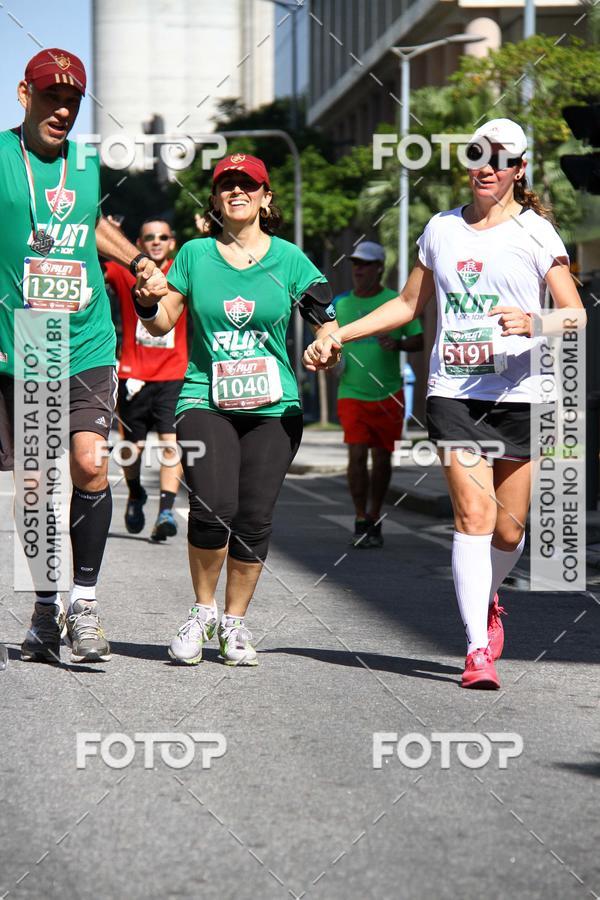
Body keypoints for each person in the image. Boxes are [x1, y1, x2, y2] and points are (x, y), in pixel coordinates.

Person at [304, 118, 584, 689]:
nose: (487, 167)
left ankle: (488, 598)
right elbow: (409, 305)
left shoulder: (537, 234)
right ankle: (477, 648)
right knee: (473, 518)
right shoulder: (441, 229)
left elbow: (575, 315)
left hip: (522, 394)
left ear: (519, 170)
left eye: (501, 159)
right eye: (478, 155)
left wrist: (534, 321)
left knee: (509, 531)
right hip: (454, 391)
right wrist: (339, 333)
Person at [136, 152, 339, 666]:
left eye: (248, 184)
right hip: (205, 398)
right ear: (214, 199)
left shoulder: (290, 259)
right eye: (227, 184)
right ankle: (202, 611)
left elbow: (325, 319)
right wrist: (145, 299)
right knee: (212, 508)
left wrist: (326, 343)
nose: (237, 191)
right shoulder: (195, 255)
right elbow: (161, 323)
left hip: (275, 406)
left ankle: (234, 623)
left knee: (253, 518)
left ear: (266, 197)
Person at [0, 48, 166, 664]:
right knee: (37, 483)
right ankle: (46, 609)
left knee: (91, 463)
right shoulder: (1, 158)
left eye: (72, 101)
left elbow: (92, 225)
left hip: (89, 336)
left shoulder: (88, 163)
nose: (63, 110)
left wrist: (137, 260)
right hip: (26, 339)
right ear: (25, 95)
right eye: (52, 97)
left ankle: (86, 604)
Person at [334, 240, 423, 548]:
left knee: (382, 459)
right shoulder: (341, 304)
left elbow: (418, 339)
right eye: (355, 264)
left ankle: (374, 514)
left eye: (365, 264)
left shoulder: (396, 303)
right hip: (351, 391)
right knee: (357, 455)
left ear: (379, 269)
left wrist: (397, 344)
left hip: (389, 393)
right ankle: (360, 518)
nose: (358, 270)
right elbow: (326, 336)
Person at [104, 218, 187, 542]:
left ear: (172, 243)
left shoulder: (181, 273)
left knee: (171, 443)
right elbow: (96, 261)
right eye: (149, 237)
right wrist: (111, 232)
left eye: (162, 237)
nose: (156, 241)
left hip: (173, 373)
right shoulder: (126, 271)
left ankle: (166, 511)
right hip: (133, 375)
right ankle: (136, 492)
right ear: (138, 244)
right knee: (132, 448)